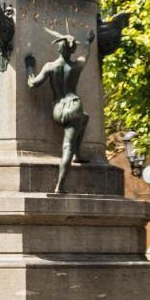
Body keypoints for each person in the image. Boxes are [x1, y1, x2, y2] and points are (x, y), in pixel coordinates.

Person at [25, 28, 95, 192]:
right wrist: (88, 41)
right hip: (74, 105)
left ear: (58, 49)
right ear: (71, 50)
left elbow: (32, 84)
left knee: (85, 118)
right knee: (67, 147)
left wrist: (29, 68)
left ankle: (77, 154)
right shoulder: (76, 66)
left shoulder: (50, 66)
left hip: (58, 109)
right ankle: (60, 186)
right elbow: (86, 54)